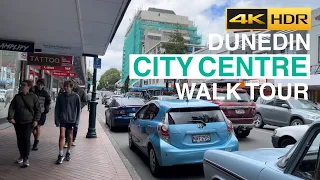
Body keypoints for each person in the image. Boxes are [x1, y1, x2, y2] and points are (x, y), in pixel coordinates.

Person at [7, 80, 41, 167]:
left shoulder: (33, 97)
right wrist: (11, 117)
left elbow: (38, 110)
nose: (22, 87)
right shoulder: (17, 97)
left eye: (24, 85)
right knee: (19, 139)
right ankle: (21, 155)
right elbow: (11, 107)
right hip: (18, 122)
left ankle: (26, 158)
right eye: (22, 85)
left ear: (29, 87)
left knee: (26, 139)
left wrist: (36, 120)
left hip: (29, 122)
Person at [55, 80, 81, 164]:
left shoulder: (76, 96)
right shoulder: (60, 96)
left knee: (70, 136)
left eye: (67, 86)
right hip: (63, 119)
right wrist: (56, 119)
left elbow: (78, 109)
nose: (65, 88)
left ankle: (68, 152)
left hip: (72, 120)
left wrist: (77, 121)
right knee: (62, 135)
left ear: (71, 87)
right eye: (64, 86)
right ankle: (60, 154)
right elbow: (57, 108)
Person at [64, 78, 87, 147]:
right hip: (69, 110)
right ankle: (66, 140)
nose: (74, 83)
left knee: (75, 125)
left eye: (76, 82)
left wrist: (80, 107)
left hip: (77, 111)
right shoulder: (70, 89)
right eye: (73, 82)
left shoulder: (81, 91)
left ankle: (73, 139)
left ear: (78, 83)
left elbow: (85, 101)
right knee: (67, 125)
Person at [31, 79, 51, 151]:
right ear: (37, 84)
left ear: (43, 85)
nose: (40, 86)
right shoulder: (33, 91)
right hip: (33, 112)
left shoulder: (45, 93)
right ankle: (36, 139)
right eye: (39, 84)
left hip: (42, 113)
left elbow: (48, 102)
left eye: (41, 85)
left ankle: (36, 142)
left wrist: (46, 109)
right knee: (33, 128)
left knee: (38, 126)